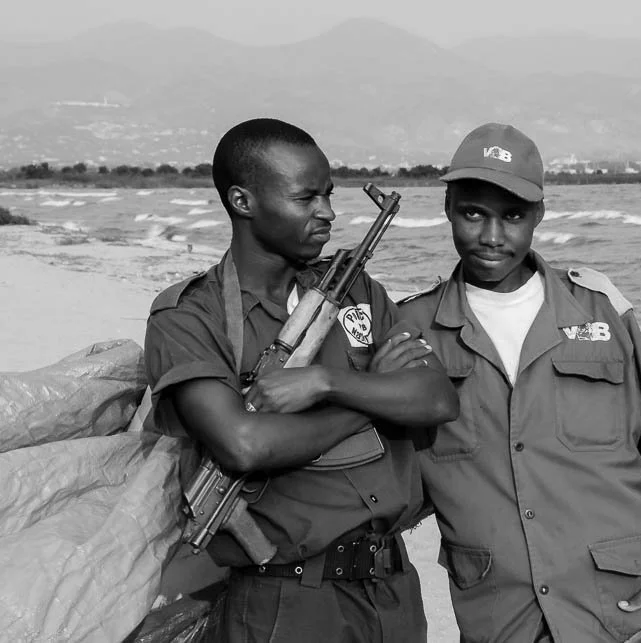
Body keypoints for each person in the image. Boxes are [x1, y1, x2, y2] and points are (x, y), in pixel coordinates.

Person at [399, 123, 641, 643]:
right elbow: (391, 484)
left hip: (631, 608)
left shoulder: (600, 308)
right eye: (472, 212)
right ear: (448, 207)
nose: (491, 236)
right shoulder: (413, 330)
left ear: (539, 215)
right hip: (502, 616)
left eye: (513, 216)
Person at [144, 117, 458, 643]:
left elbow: (435, 397)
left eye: (330, 195)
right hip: (285, 600)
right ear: (244, 202)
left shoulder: (355, 289)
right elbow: (244, 445)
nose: (327, 213)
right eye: (306, 197)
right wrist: (370, 396)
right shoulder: (189, 317)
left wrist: (327, 384)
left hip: (390, 589)